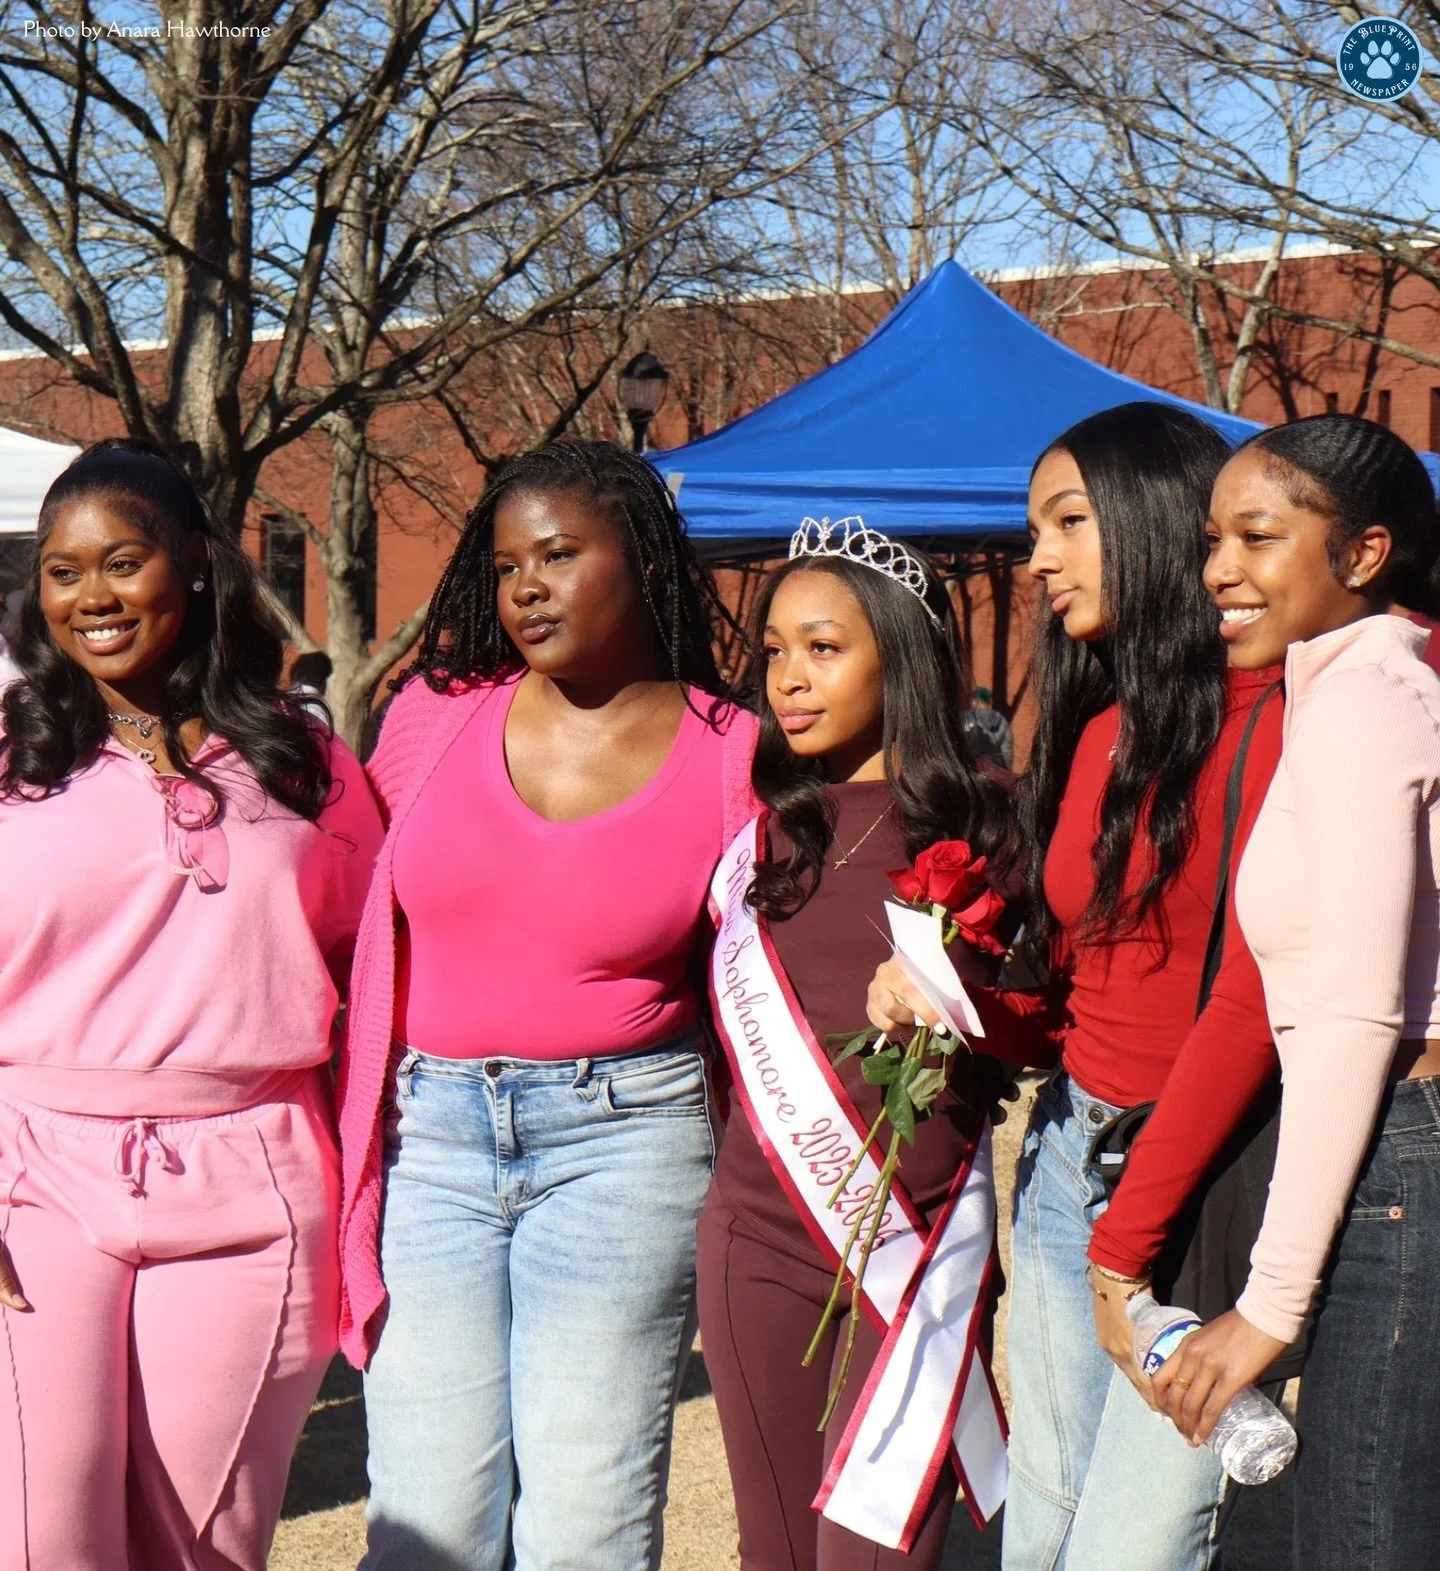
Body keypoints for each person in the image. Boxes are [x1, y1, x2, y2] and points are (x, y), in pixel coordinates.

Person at [867, 402, 1286, 1571]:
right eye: (1033, 526)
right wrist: (953, 996)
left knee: (1132, 1547)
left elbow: (1249, 1012)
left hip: (1202, 1188)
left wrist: (1129, 1239)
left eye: (1068, 521)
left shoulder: (1286, 718)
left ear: (1156, 519)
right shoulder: (1094, 724)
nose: (1038, 555)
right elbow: (1075, 1002)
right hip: (1064, 1159)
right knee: (1040, 1522)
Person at [337, 439, 759, 1571]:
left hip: (625, 1146)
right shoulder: (434, 714)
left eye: (561, 554)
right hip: (429, 1140)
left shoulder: (738, 756)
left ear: (645, 561)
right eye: (510, 561)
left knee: (585, 1523)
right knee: (425, 1522)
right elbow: (345, 897)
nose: (526, 584)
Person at [0, 439, 382, 1571]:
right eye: (63, 572)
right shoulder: (7, 757)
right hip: (32, 1174)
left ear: (198, 567)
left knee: (201, 1548)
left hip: (255, 1182)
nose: (92, 597)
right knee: (40, 1537)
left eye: (123, 561)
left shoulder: (306, 762)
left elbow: (383, 970)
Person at [696, 519, 1026, 1571]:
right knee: (778, 1552)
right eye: (775, 649)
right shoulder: (759, 831)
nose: (788, 678)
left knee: (872, 1549)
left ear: (904, 654)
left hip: (914, 1244)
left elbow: (1045, 1016)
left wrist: (959, 983)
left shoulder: (991, 823)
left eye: (824, 647)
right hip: (756, 1236)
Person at [1148, 415, 1440, 1571]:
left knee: (1366, 1538)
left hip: (1402, 1146)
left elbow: (1357, 1016)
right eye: (1215, 537)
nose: (1220, 567)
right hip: (1392, 1147)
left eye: (1258, 536)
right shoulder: (1350, 690)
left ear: (1362, 553)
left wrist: (1270, 1302)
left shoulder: (1369, 705)